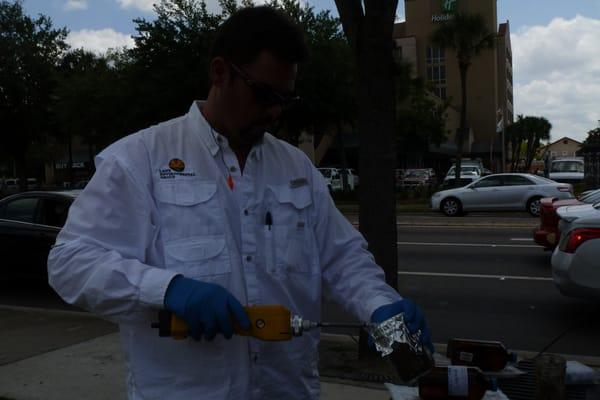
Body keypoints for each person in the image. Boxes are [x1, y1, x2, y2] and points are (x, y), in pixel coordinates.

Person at [47, 6, 433, 400]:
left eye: (286, 98)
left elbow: (342, 258)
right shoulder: (141, 160)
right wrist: (167, 289)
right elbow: (71, 263)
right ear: (220, 73)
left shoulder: (295, 167)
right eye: (265, 94)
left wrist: (381, 305)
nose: (276, 111)